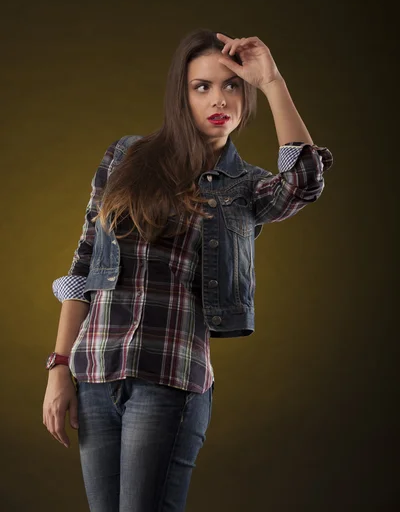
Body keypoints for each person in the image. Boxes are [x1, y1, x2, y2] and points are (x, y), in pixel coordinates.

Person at [42, 28, 333, 511]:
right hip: (94, 371)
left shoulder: (245, 186)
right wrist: (58, 370)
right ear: (182, 95)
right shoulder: (125, 157)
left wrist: (273, 81)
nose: (220, 98)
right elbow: (84, 264)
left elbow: (303, 183)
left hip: (170, 378)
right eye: (202, 86)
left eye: (232, 85)